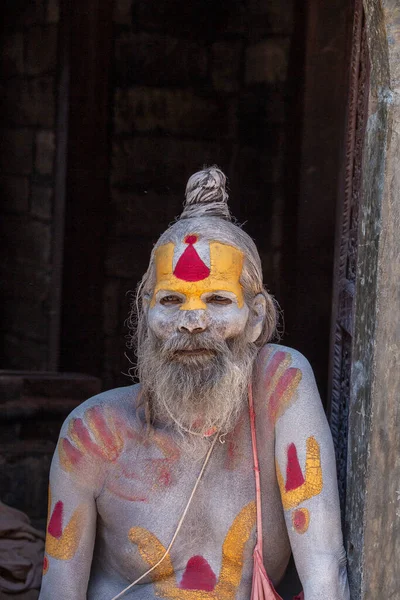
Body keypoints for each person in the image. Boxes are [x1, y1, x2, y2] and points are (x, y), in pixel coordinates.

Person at [38, 167, 349, 600]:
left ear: (255, 317)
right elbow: (58, 592)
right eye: (171, 300)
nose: (192, 322)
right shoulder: (91, 435)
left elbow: (324, 572)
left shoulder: (281, 385)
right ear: (146, 314)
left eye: (218, 300)